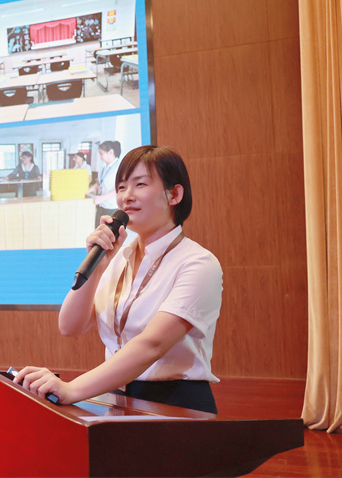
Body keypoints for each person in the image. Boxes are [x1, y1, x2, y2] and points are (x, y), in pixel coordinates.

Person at [14, 145, 223, 414]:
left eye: (140, 184)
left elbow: (152, 345)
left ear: (174, 194)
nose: (127, 196)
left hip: (175, 403)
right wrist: (97, 265)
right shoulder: (118, 257)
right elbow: (70, 326)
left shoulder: (198, 263)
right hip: (117, 399)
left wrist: (72, 389)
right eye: (122, 187)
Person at [91, 140, 121, 227]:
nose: (99, 156)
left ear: (110, 152)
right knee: (98, 230)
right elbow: (99, 183)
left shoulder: (119, 167)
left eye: (101, 154)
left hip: (112, 208)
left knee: (109, 232)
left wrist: (103, 197)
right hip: (101, 206)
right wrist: (87, 191)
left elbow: (120, 188)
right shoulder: (104, 167)